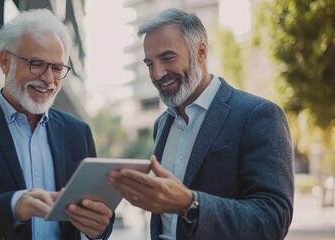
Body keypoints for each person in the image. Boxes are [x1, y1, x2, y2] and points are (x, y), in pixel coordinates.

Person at [108, 8, 294, 240]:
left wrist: (190, 204)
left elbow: (273, 219)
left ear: (201, 53)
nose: (157, 74)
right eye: (149, 64)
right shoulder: (162, 124)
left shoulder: (258, 115)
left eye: (168, 58)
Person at [0, 9, 113, 240]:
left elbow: (100, 218)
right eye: (36, 63)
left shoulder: (79, 132)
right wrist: (14, 206)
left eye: (57, 68)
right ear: (5, 61)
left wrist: (97, 230)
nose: (48, 79)